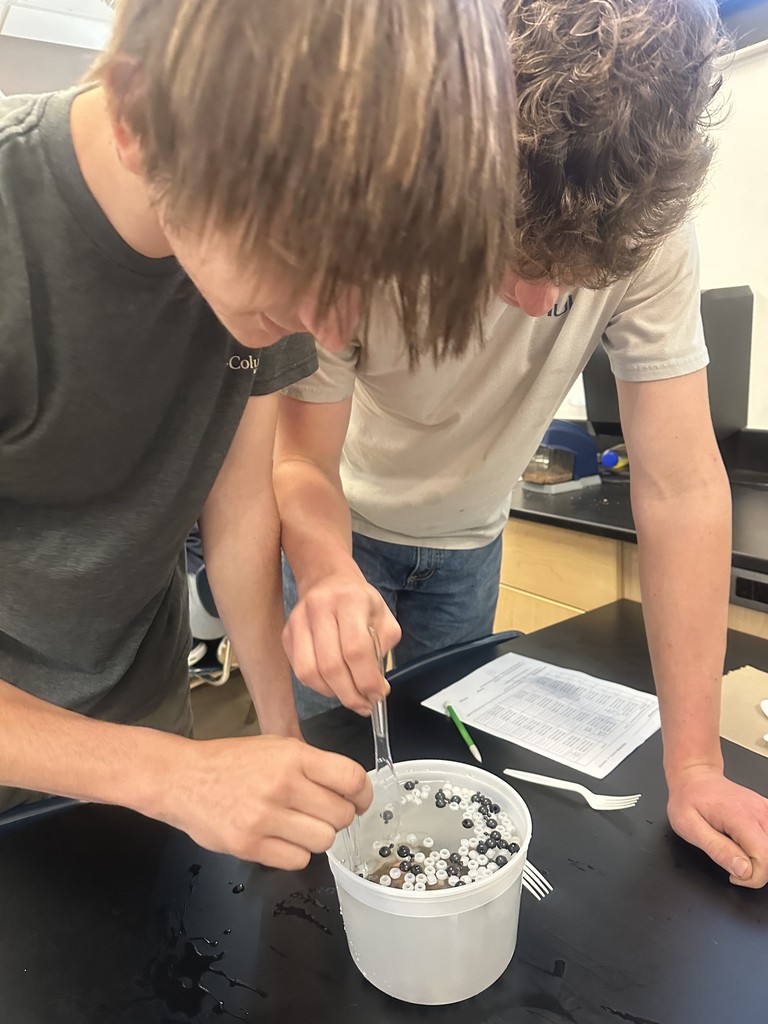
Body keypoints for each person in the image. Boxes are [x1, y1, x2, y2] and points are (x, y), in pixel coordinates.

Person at [0, 0, 520, 872]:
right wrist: (171, 774)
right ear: (137, 117)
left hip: (146, 730)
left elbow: (241, 514)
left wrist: (286, 747)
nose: (327, 325)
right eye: (304, 263)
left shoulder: (262, 250)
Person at [276, 0, 768, 888]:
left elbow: (684, 484)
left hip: (471, 543)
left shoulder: (646, 233)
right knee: (335, 805)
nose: (542, 306)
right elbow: (298, 461)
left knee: (454, 791)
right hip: (338, 538)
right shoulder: (358, 226)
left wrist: (694, 768)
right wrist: (322, 570)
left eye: (575, 283)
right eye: (515, 259)